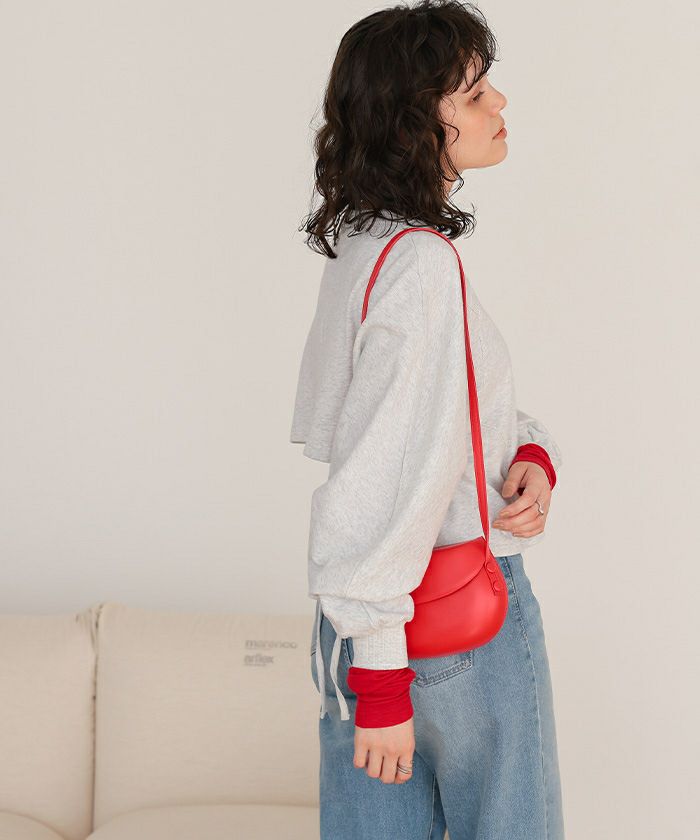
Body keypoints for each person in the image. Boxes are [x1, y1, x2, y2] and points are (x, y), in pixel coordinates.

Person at [289, 1, 566, 837]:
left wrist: (529, 455)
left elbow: (430, 422)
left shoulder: (366, 246)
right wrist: (384, 678)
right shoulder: (420, 265)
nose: (499, 104)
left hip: (358, 627)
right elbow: (386, 468)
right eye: (475, 94)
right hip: (449, 625)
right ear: (417, 122)